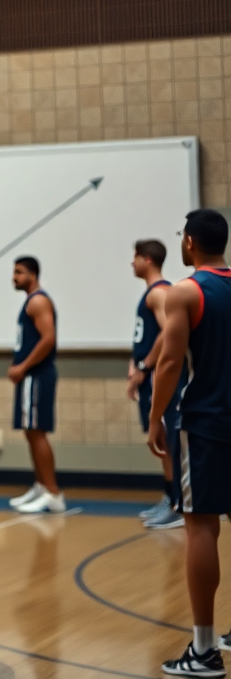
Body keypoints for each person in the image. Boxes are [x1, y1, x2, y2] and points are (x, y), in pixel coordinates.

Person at [151, 209, 231, 677]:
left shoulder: (186, 291)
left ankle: (203, 651)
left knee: (201, 527)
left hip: (204, 422)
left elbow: (169, 362)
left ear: (189, 243)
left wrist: (157, 416)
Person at [126, 239, 181, 530]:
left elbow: (167, 332)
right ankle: (169, 498)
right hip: (148, 376)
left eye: (134, 257)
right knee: (159, 440)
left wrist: (145, 366)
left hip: (160, 377)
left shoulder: (159, 293)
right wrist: (133, 364)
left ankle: (178, 504)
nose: (131, 263)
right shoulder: (152, 293)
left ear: (147, 259)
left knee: (167, 439)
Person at [6, 256, 65, 513]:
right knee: (30, 431)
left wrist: (23, 366)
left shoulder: (38, 301)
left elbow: (48, 339)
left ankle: (53, 493)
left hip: (37, 376)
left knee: (37, 431)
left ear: (32, 274)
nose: (14, 277)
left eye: (19, 272)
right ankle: (41, 486)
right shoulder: (30, 302)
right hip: (31, 377)